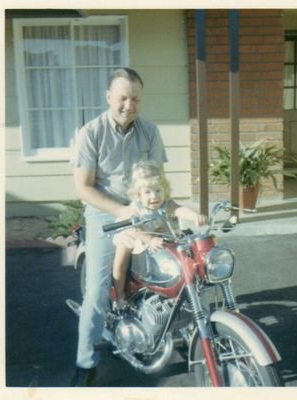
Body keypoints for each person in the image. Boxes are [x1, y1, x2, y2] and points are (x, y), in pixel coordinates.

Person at [71, 67, 167, 386]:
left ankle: (161, 327)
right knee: (98, 291)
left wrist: (169, 210)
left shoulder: (150, 131)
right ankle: (85, 362)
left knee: (169, 271)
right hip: (104, 211)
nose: (129, 104)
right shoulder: (91, 132)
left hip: (141, 208)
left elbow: (157, 180)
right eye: (123, 98)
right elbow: (84, 187)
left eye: (135, 98)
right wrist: (120, 210)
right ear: (109, 97)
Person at [111, 161, 207, 309]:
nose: (154, 196)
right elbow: (132, 229)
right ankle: (119, 296)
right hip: (134, 236)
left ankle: (174, 291)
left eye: (158, 190)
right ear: (138, 195)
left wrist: (195, 216)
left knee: (181, 256)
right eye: (147, 192)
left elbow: (179, 210)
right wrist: (149, 239)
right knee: (120, 262)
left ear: (165, 190)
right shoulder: (136, 209)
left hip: (158, 236)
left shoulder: (166, 204)